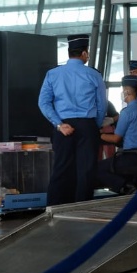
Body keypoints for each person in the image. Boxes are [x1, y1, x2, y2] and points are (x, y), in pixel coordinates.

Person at [39, 34, 107, 205]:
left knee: (61, 169)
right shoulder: (94, 75)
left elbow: (44, 102)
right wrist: (93, 126)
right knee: (86, 171)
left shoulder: (53, 74)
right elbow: (101, 106)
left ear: (69, 53)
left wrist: (59, 124)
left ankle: (54, 210)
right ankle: (81, 210)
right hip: (87, 126)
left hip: (64, 126)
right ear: (84, 54)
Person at [98, 76, 137, 195]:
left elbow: (116, 138)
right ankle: (127, 184)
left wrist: (98, 135)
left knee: (96, 168)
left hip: (129, 156)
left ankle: (125, 186)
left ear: (126, 92)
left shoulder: (127, 112)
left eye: (123, 90)